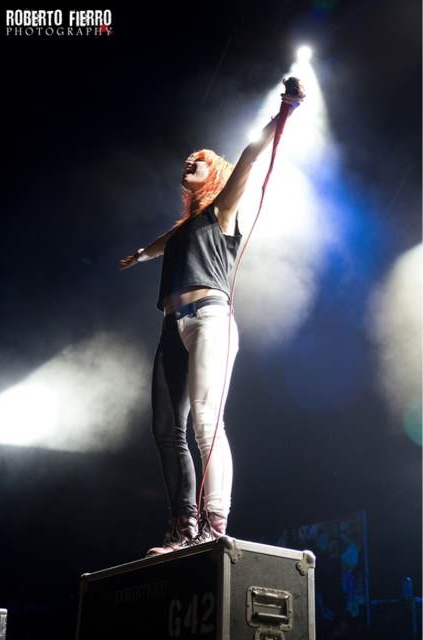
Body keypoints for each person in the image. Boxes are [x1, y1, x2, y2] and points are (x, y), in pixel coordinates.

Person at [119, 89, 302, 556]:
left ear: (214, 173)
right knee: (166, 428)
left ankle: (213, 524)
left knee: (206, 422)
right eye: (188, 159)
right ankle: (183, 525)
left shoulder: (223, 210)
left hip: (209, 320)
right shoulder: (186, 227)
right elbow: (168, 238)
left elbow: (249, 157)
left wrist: (282, 113)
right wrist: (142, 254)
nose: (189, 161)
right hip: (172, 325)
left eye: (198, 160)